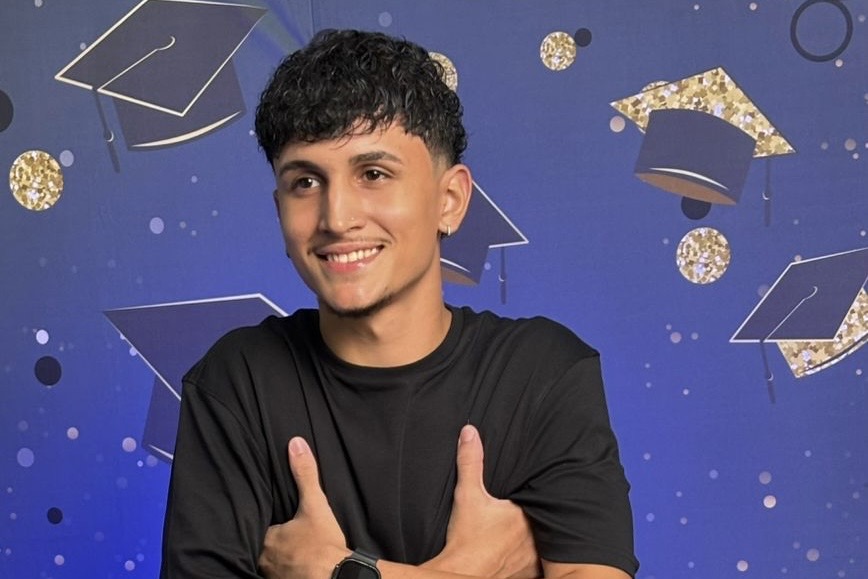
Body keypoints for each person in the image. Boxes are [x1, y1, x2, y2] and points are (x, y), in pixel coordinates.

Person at [160, 29, 639, 579]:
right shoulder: (237, 382)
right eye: (306, 182)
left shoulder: (541, 373)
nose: (337, 217)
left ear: (450, 200)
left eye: (373, 174)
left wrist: (338, 572)